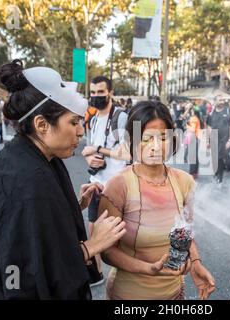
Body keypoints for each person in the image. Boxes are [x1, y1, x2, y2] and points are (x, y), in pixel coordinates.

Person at [0, 60, 126, 300]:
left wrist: (70, 205)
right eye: (73, 122)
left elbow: (36, 228)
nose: (80, 131)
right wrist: (92, 246)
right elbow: (22, 275)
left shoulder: (34, 157)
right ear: (42, 124)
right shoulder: (24, 180)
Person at [99, 100, 215, 300]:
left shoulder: (184, 181)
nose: (155, 146)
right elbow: (107, 251)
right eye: (146, 138)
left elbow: (185, 232)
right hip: (128, 296)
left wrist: (195, 263)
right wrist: (149, 268)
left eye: (162, 137)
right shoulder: (118, 186)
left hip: (174, 294)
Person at [81, 76, 129, 286]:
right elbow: (90, 150)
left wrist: (99, 150)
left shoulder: (120, 117)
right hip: (96, 183)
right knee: (93, 230)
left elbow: (127, 154)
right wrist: (89, 158)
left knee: (123, 237)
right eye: (93, 92)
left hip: (118, 186)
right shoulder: (92, 119)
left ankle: (129, 278)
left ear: (110, 93)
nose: (96, 96)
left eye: (101, 92)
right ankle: (97, 273)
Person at [206, 97, 230, 184]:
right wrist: (208, 140)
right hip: (214, 138)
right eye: (220, 100)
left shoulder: (228, 111)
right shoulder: (211, 113)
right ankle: (221, 169)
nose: (222, 102)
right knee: (215, 156)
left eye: (223, 100)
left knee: (220, 156)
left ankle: (220, 176)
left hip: (225, 139)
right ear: (215, 102)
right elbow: (209, 127)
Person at [184, 105, 202, 178]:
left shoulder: (193, 118)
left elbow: (192, 129)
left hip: (193, 137)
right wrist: (188, 108)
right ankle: (195, 172)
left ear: (193, 111)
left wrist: (186, 126)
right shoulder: (196, 117)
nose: (190, 111)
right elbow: (184, 116)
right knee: (195, 156)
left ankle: (192, 174)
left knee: (192, 156)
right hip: (195, 138)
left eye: (191, 110)